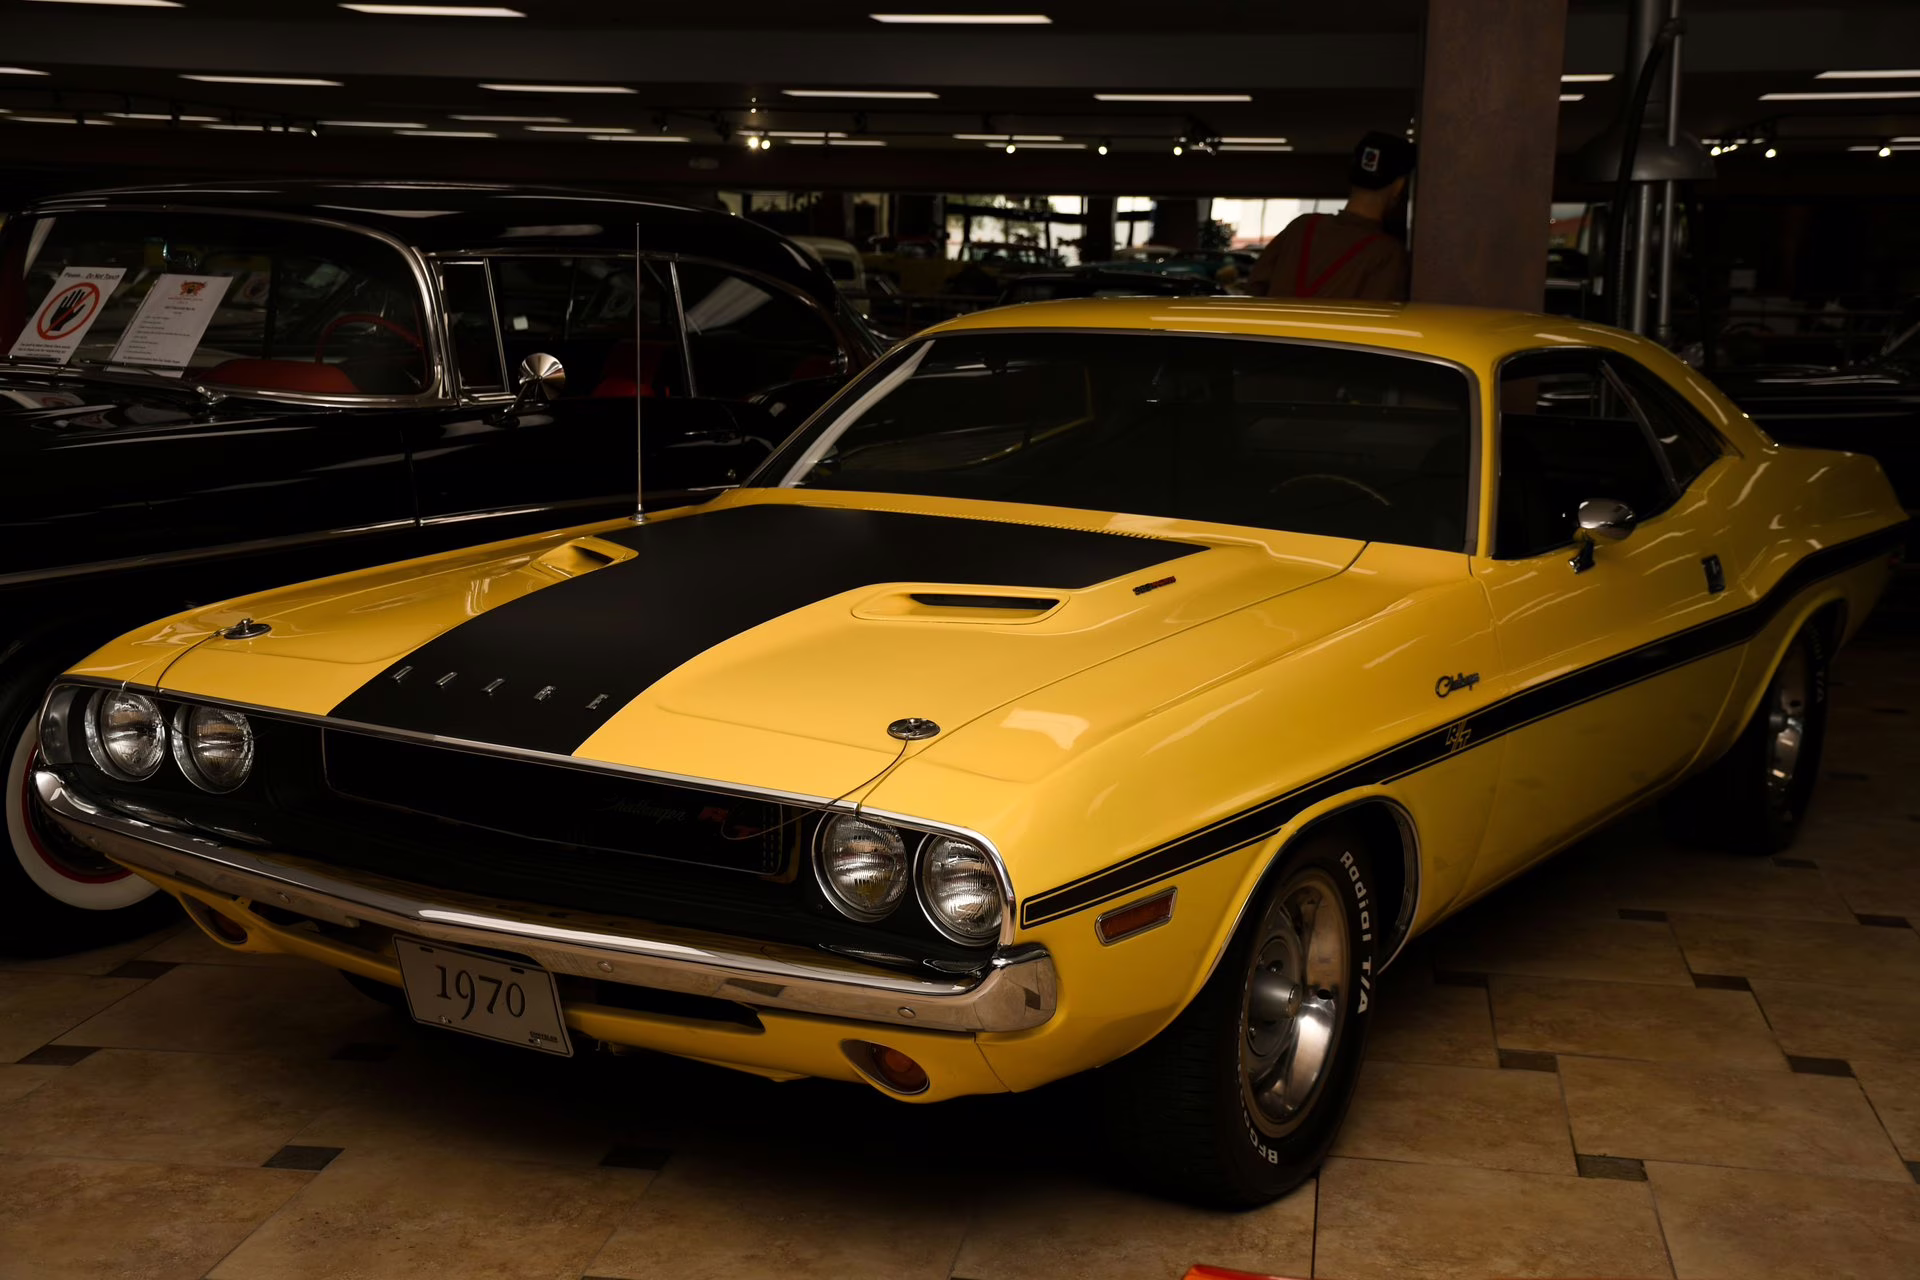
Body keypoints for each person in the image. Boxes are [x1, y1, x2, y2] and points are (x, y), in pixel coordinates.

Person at [1247, 132, 1416, 302]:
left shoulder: (1301, 227)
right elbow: (1381, 320)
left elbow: (1255, 286)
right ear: (1399, 185)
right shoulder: (1387, 254)